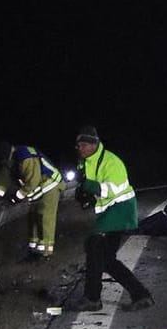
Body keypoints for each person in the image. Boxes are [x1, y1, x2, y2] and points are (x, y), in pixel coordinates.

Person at [65, 127, 155, 312]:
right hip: (109, 211)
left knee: (95, 247)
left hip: (120, 210)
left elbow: (110, 190)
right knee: (105, 258)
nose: (79, 148)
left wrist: (89, 187)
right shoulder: (85, 161)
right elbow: (90, 187)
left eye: (83, 145)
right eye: (78, 145)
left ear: (93, 144)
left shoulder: (111, 162)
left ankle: (92, 299)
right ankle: (141, 295)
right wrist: (84, 195)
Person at [0, 142, 63, 258]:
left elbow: (32, 181)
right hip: (38, 190)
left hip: (50, 185)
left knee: (45, 218)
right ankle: (34, 250)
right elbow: (3, 178)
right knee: (33, 218)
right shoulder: (10, 160)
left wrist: (18, 196)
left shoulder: (25, 157)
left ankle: (46, 252)